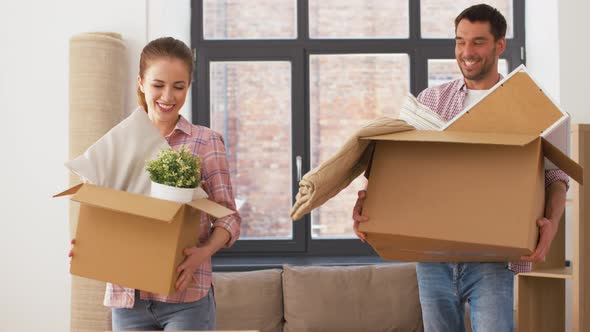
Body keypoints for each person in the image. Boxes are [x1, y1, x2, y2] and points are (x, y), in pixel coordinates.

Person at [352, 4, 568, 331]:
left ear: (500, 45)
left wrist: (551, 222)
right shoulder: (431, 102)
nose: (467, 51)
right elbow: (396, 166)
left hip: (493, 257)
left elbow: (556, 177)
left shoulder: (526, 106)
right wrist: (371, 203)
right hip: (432, 256)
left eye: (478, 42)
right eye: (460, 41)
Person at [69, 37, 241, 331]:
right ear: (141, 83)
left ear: (188, 86)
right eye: (158, 85)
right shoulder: (119, 142)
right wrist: (90, 242)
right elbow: (108, 211)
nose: (168, 96)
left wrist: (203, 252)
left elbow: (229, 218)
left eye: (179, 86)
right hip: (128, 299)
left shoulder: (205, 141)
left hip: (186, 299)